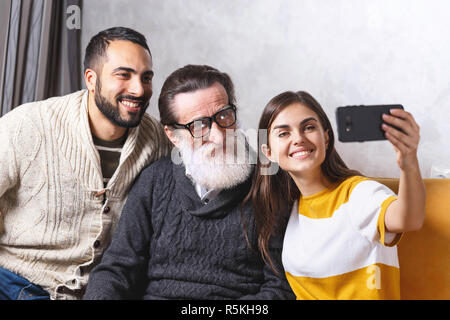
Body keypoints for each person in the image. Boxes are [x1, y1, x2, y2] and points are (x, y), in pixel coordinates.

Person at [83, 65, 295, 300]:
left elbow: (280, 289)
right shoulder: (154, 181)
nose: (218, 135)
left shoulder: (270, 182)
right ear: (173, 135)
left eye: (224, 115)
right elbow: (117, 269)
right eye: (199, 126)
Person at [0, 27, 171, 300]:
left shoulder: (160, 142)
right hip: (14, 282)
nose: (139, 89)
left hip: (102, 292)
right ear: (91, 79)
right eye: (124, 75)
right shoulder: (27, 124)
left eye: (146, 77)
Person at [247, 90, 426, 300]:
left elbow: (409, 219)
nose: (299, 138)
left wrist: (409, 161)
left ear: (326, 136)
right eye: (283, 133)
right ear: (268, 153)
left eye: (309, 127)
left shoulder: (358, 193)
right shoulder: (286, 209)